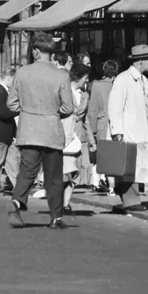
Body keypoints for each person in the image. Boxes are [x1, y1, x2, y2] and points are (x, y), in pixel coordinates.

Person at [6, 33, 74, 229]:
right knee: (54, 177)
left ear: (35, 51)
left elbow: (11, 104)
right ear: (51, 52)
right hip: (51, 131)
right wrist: (52, 113)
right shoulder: (61, 75)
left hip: (28, 130)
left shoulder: (22, 73)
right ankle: (56, 217)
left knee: (27, 171)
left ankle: (17, 200)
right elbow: (68, 107)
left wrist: (27, 111)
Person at [107, 44, 148, 214]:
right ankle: (130, 200)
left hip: (141, 131)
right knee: (128, 168)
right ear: (141, 61)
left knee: (138, 166)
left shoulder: (144, 81)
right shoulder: (123, 79)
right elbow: (115, 106)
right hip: (127, 132)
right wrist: (117, 132)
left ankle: (130, 199)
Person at [85, 59, 118, 192]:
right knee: (117, 155)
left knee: (105, 156)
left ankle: (110, 186)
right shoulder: (119, 84)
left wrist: (92, 131)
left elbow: (93, 109)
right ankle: (114, 184)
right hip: (118, 124)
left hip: (102, 124)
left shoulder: (97, 85)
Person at [61, 64, 90, 214]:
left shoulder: (85, 94)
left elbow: (86, 119)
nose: (87, 80)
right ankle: (60, 202)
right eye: (85, 78)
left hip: (80, 136)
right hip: (65, 136)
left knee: (76, 172)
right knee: (65, 172)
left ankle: (66, 204)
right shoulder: (64, 91)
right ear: (78, 77)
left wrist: (91, 140)